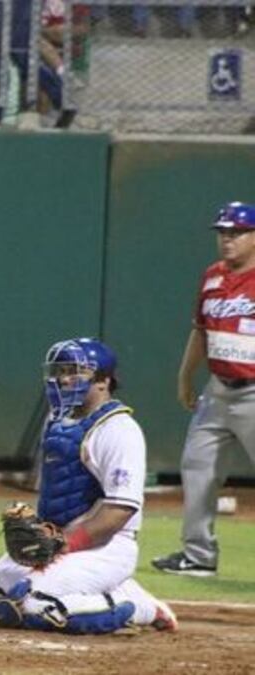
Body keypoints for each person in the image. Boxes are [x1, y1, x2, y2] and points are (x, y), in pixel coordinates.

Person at [0, 338, 178, 635]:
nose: (63, 379)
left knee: (37, 605)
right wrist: (43, 535)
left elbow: (119, 510)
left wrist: (64, 543)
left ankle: (138, 606)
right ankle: (110, 587)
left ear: (103, 380)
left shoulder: (119, 429)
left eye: (74, 372)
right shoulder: (57, 420)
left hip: (107, 546)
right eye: (60, 371)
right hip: (62, 542)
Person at [153, 202, 255, 578]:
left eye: (237, 232)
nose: (227, 240)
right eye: (223, 233)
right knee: (197, 468)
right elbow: (201, 330)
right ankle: (198, 556)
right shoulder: (212, 277)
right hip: (218, 391)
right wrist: (185, 376)